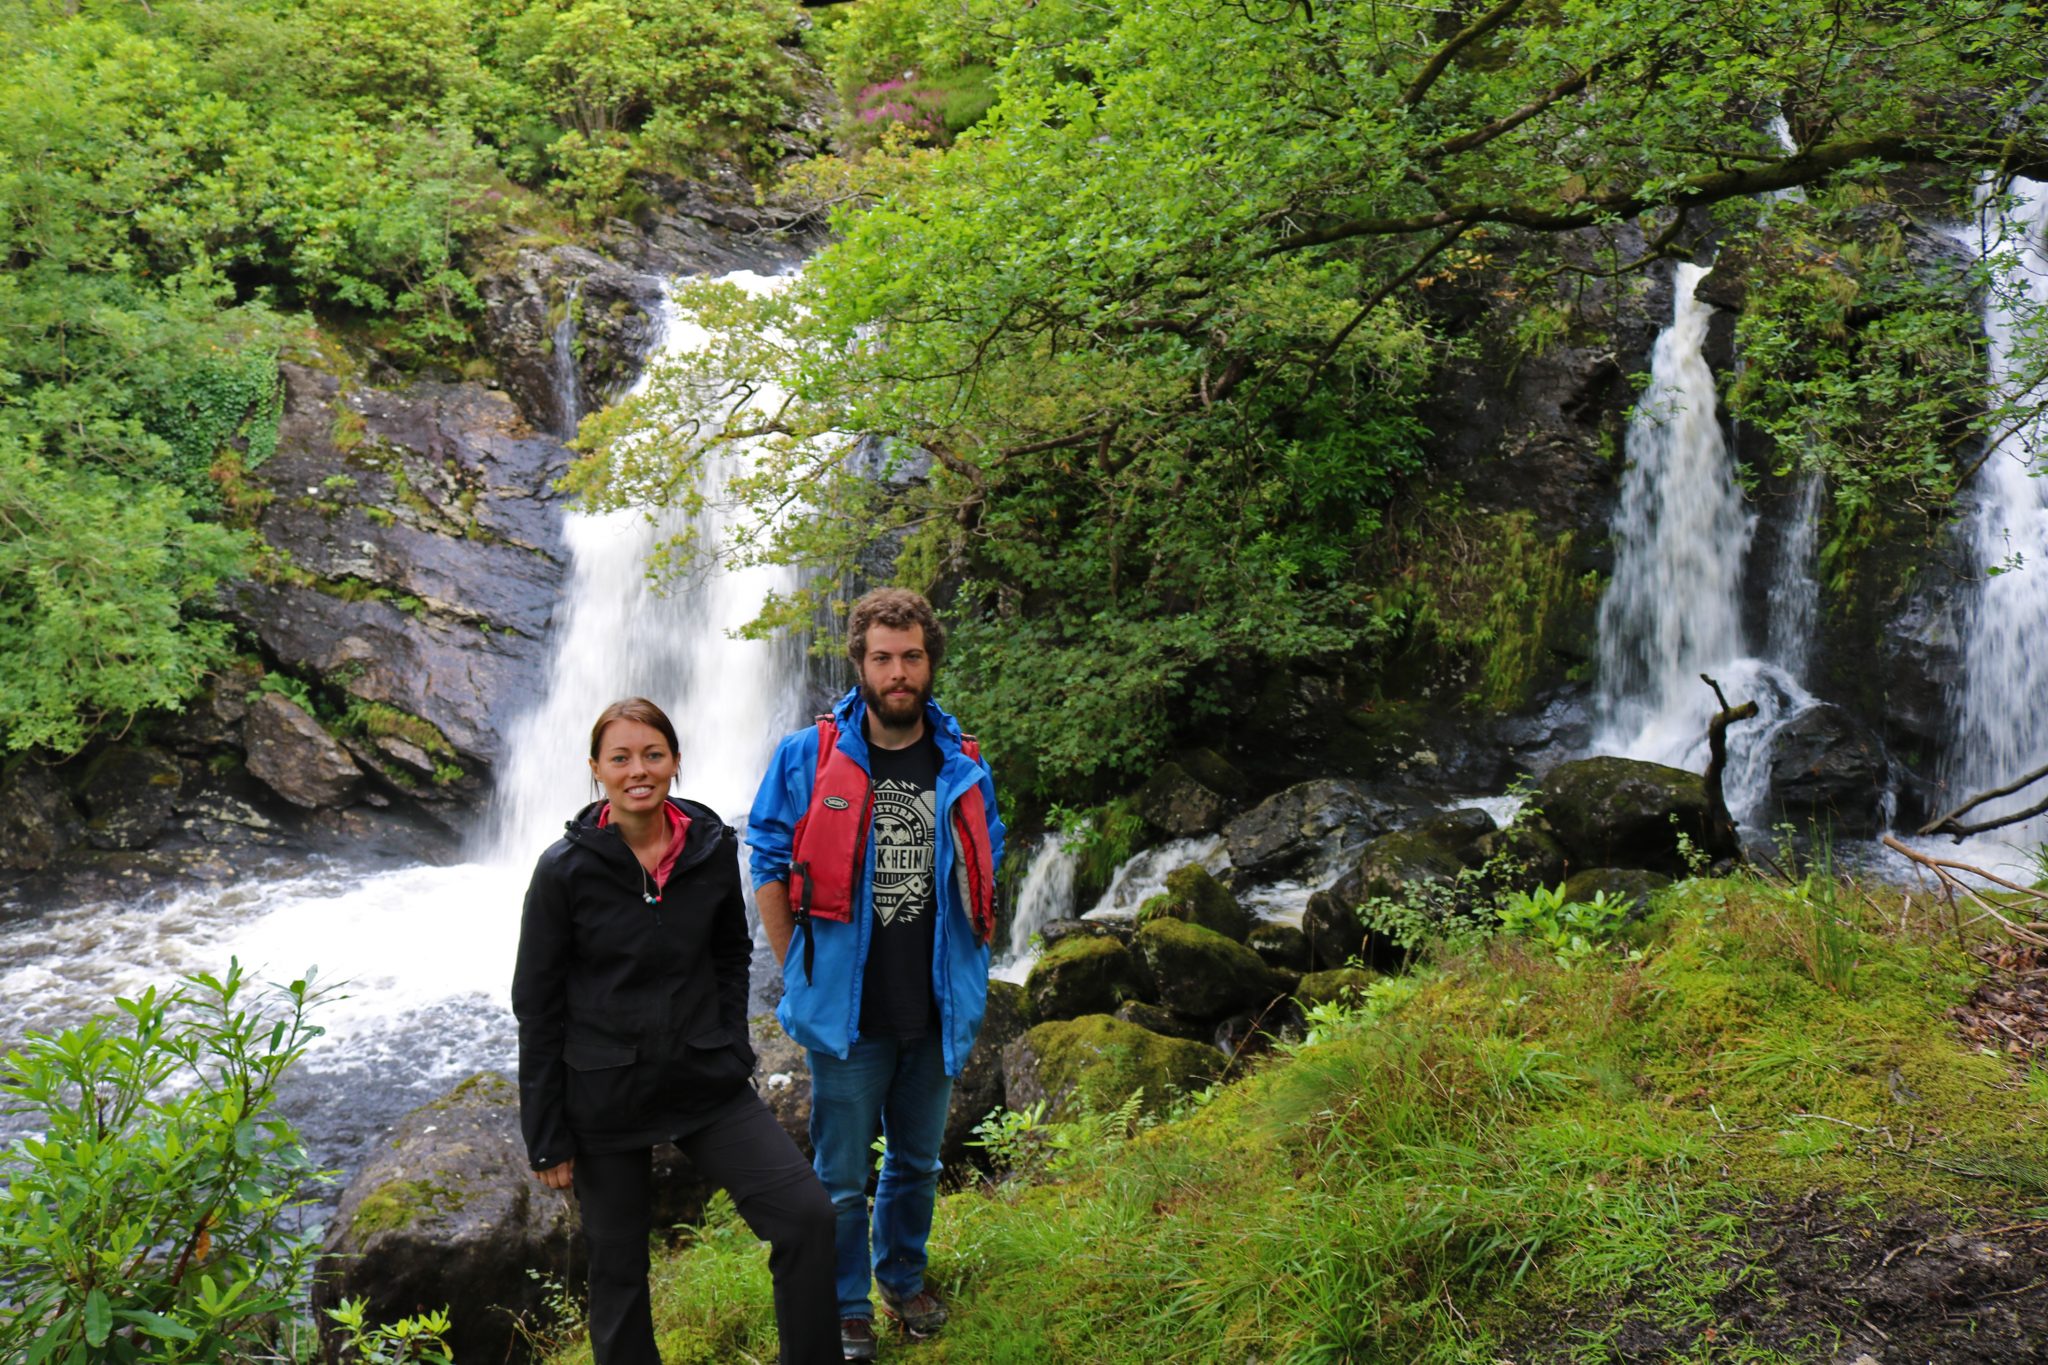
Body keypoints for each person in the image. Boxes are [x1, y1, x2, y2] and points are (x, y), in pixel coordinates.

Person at [512, 697, 840, 1365]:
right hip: (605, 1095)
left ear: (676, 761)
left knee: (806, 1215)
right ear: (596, 770)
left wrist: (729, 1044)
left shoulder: (713, 849)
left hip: (703, 1078)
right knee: (618, 1271)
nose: (639, 769)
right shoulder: (563, 871)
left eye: (653, 754)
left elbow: (729, 953)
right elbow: (537, 1005)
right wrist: (547, 1134)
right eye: (621, 757)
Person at [748, 588, 1005, 1362]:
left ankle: (904, 1276)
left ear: (931, 663)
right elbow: (765, 855)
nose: (899, 672)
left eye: (912, 657)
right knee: (840, 1175)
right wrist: (796, 967)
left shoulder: (963, 763)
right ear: (858, 662)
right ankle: (845, 1306)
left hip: (932, 1004)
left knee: (920, 1161)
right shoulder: (808, 756)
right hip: (846, 1008)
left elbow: (986, 868)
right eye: (884, 658)